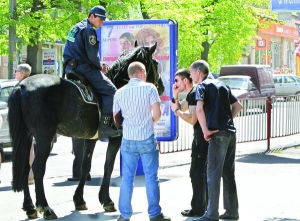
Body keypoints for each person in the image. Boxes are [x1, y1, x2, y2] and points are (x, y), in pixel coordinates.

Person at [113, 61, 171, 221]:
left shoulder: (119, 93)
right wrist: (149, 122)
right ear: (142, 73)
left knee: (127, 178)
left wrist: (127, 126)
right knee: (151, 176)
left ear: (130, 75)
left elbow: (116, 119)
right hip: (147, 138)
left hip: (128, 140)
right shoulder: (150, 88)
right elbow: (157, 113)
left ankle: (124, 215)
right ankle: (154, 214)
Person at [190, 60, 243, 221]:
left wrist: (206, 130)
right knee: (228, 174)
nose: (191, 76)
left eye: (191, 73)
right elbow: (238, 106)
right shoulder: (223, 85)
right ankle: (232, 211)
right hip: (230, 133)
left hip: (216, 134)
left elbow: (199, 109)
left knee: (212, 174)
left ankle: (211, 214)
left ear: (199, 72)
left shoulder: (202, 86)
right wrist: (226, 122)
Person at [63, 5, 119, 139]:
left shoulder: (75, 27)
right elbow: (92, 56)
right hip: (84, 68)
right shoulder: (89, 31)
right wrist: (100, 67)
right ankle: (104, 126)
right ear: (92, 16)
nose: (102, 22)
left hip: (70, 68)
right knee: (112, 91)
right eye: (101, 19)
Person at [170, 68, 209, 217]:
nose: (175, 83)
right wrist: (175, 95)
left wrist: (177, 113)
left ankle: (198, 208)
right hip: (204, 137)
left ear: (185, 80)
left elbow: (192, 119)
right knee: (202, 173)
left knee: (196, 173)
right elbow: (180, 105)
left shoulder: (195, 92)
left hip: (201, 138)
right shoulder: (193, 93)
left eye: (177, 81)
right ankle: (204, 206)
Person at [15, 63, 35, 185]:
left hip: (22, 122)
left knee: (25, 149)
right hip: (30, 122)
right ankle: (30, 175)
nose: (15, 73)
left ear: (21, 73)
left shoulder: (20, 86)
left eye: (16, 71)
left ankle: (27, 175)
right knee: (30, 148)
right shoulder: (31, 85)